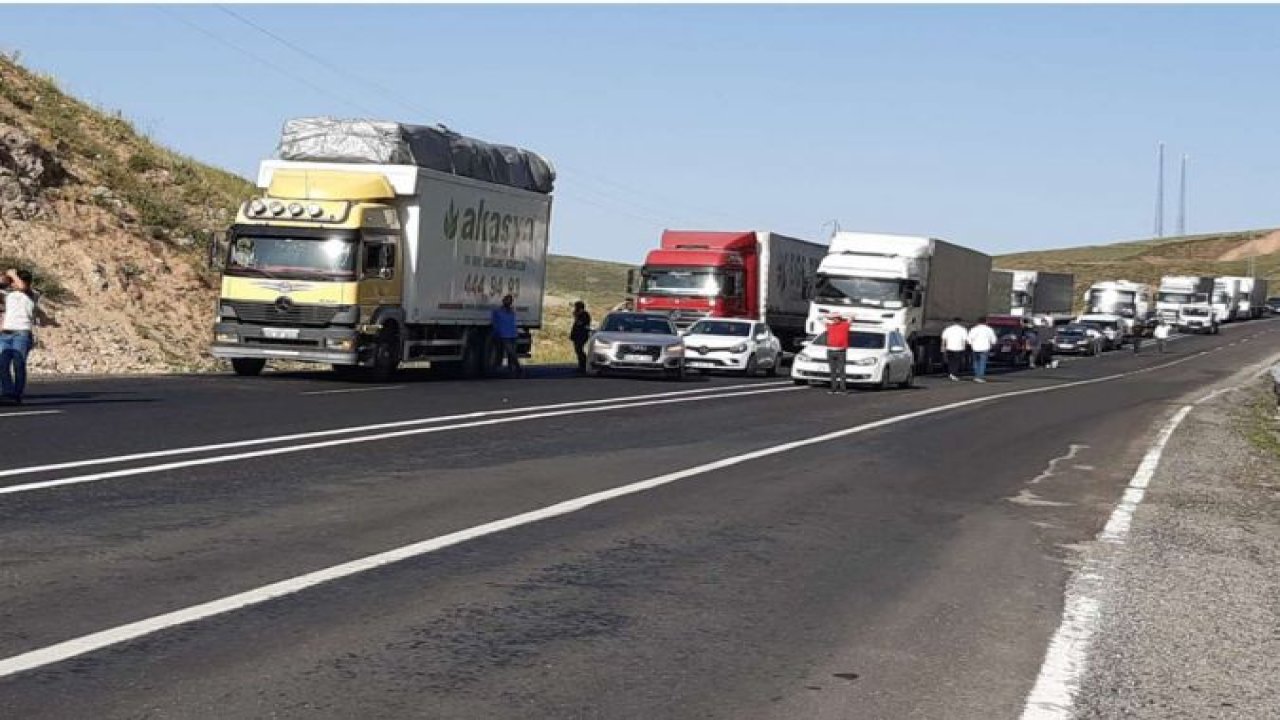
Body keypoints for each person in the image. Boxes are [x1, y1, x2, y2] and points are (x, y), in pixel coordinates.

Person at [0, 269, 38, 405]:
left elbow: (22, 286)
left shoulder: (32, 294)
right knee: (2, 365)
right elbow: (6, 313)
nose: (13, 283)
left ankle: (17, 394)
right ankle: (7, 393)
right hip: (6, 334)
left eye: (16, 281)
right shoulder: (9, 295)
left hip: (21, 333)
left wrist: (13, 274)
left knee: (18, 364)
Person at [490, 294, 522, 376]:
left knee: (511, 353)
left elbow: (513, 323)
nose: (508, 302)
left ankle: (511, 369)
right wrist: (495, 333)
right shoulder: (497, 312)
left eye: (510, 300)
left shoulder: (512, 312)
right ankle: (518, 367)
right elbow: (495, 323)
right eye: (507, 300)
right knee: (511, 352)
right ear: (503, 301)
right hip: (504, 335)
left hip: (513, 335)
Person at [823, 313, 851, 395]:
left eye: (837, 318)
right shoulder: (829, 325)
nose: (835, 320)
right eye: (834, 318)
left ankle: (843, 389)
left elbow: (852, 316)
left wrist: (842, 315)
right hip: (830, 351)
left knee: (842, 371)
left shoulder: (845, 325)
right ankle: (833, 389)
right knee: (832, 371)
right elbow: (820, 318)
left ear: (840, 319)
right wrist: (829, 317)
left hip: (841, 351)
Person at [967, 317, 998, 383]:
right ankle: (980, 377)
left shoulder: (973, 329)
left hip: (975, 348)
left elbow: (969, 339)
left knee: (975, 362)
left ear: (978, 322)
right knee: (982, 363)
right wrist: (992, 345)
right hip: (985, 348)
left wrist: (971, 344)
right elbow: (993, 340)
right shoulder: (989, 329)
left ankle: (976, 376)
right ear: (986, 322)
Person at [570, 300, 592, 374]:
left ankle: (584, 365)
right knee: (578, 350)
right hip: (577, 335)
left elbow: (580, 323)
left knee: (579, 350)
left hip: (582, 335)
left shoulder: (585, 314)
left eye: (576, 307)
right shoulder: (580, 314)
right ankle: (581, 365)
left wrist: (576, 317)